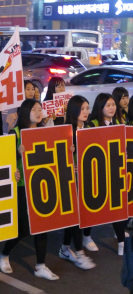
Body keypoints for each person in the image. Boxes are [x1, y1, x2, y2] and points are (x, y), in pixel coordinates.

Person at [0, 98, 60, 282]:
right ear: (25, 112)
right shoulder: (15, 133)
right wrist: (17, 153)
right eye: (34, 109)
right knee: (22, 228)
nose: (39, 112)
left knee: (43, 225)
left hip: (41, 185)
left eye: (40, 109)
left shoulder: (44, 132)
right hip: (22, 187)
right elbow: (2, 159)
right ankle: (4, 254)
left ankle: (40, 265)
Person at [83, 93, 127, 255]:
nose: (112, 108)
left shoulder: (118, 123)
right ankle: (86, 236)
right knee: (93, 206)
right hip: (96, 173)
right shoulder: (92, 125)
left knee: (117, 206)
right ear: (100, 108)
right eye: (108, 105)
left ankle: (121, 241)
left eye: (113, 105)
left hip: (114, 171)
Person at [59, 95, 96, 270]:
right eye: (82, 109)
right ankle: (79, 252)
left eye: (87, 108)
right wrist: (69, 159)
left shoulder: (89, 127)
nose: (86, 112)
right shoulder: (66, 130)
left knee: (78, 216)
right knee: (75, 217)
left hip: (86, 179)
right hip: (70, 181)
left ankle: (65, 248)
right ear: (74, 110)